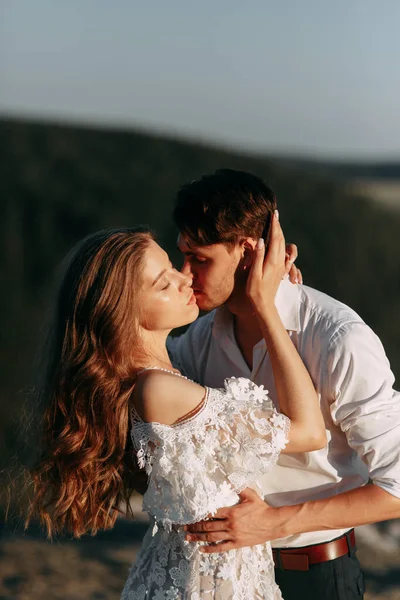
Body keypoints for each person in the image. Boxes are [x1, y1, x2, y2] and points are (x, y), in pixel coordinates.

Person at [26, 222, 326, 600]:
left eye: (173, 266)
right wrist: (268, 307)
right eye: (164, 283)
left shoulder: (159, 377)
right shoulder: (160, 389)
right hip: (207, 583)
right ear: (121, 311)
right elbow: (309, 431)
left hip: (201, 574)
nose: (185, 279)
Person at [168, 168, 400, 600]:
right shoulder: (202, 337)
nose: (185, 273)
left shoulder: (337, 339)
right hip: (228, 578)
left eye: (199, 259)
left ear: (247, 252)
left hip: (316, 575)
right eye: (182, 255)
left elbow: (396, 487)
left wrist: (272, 523)